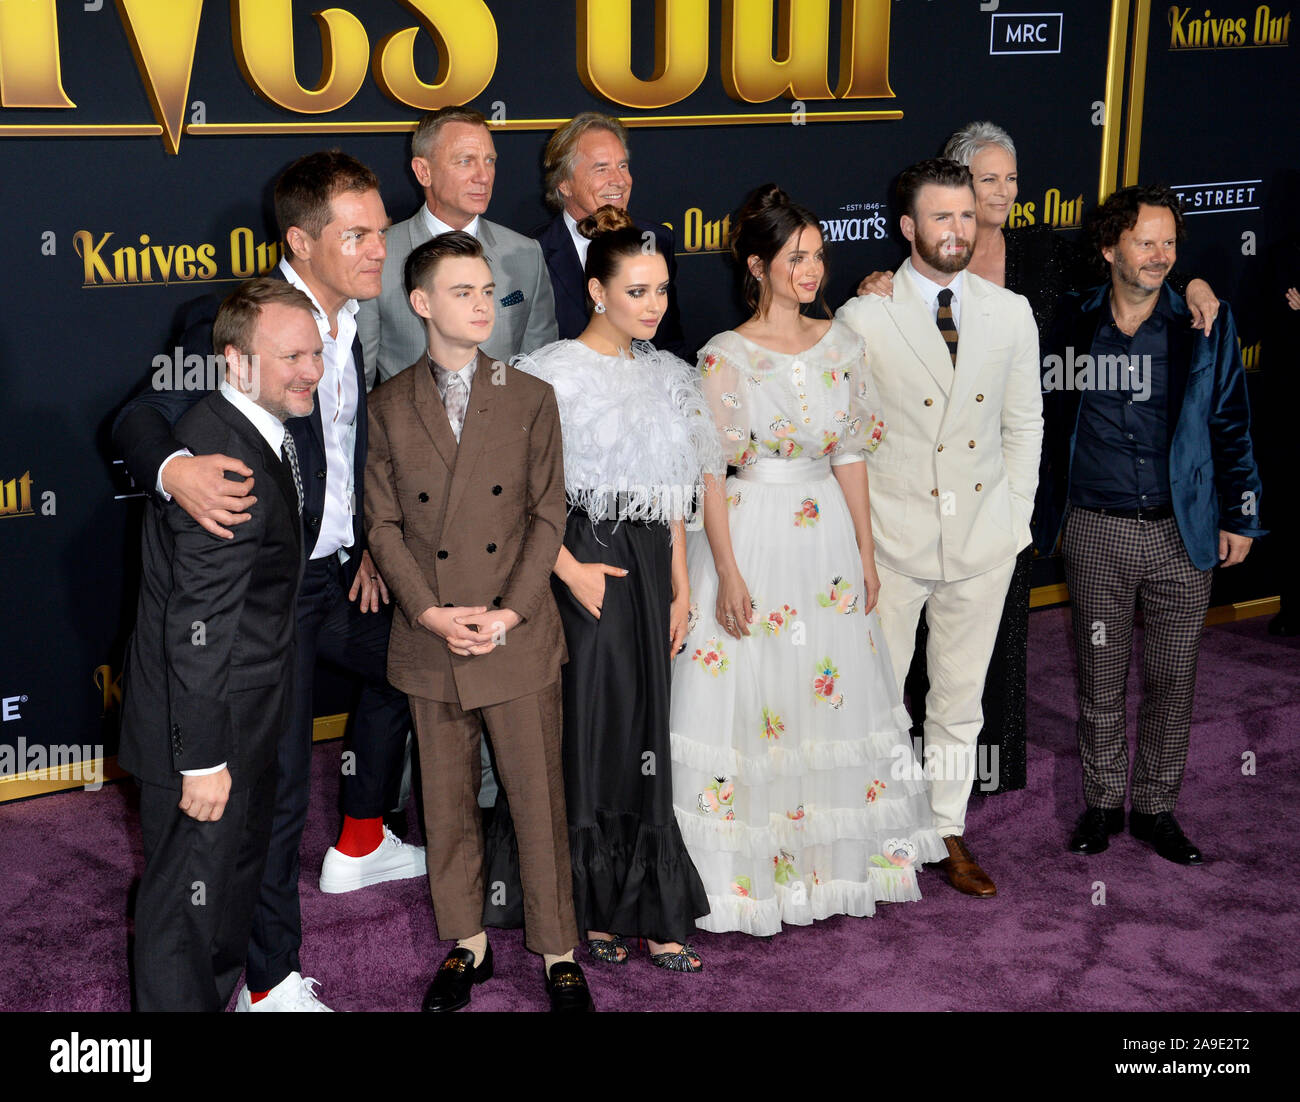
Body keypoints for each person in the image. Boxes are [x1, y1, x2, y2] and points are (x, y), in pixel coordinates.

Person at [112, 152, 421, 1012]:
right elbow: (140, 413)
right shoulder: (232, 322)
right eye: (357, 235)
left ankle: (362, 834)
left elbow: (348, 447)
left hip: (329, 577)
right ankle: (269, 977)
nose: (376, 250)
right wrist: (175, 469)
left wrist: (364, 540)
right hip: (254, 604)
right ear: (301, 240)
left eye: (381, 232)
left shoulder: (362, 325)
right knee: (268, 797)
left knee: (422, 659)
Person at [855, 122, 1222, 796]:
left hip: (1014, 483)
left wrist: (1193, 280)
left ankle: (982, 782)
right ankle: (899, 789)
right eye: (984, 179)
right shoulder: (910, 275)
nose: (1000, 192)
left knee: (996, 639)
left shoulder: (1045, 254)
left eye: (1009, 178)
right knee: (904, 649)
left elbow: (1138, 267)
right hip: (918, 497)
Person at [668, 185, 942, 937]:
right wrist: (725, 571)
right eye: (796, 258)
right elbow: (710, 475)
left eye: (818, 256)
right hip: (755, 532)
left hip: (825, 541)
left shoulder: (841, 344)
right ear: (757, 265)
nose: (812, 270)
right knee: (753, 700)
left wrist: (864, 550)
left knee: (830, 697)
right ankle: (746, 882)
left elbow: (851, 451)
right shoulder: (724, 356)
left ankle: (832, 867)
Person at [364, 231, 593, 1012]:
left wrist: (509, 613)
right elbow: (383, 526)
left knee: (537, 797)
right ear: (421, 303)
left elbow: (546, 516)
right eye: (462, 292)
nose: (481, 305)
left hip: (513, 632)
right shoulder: (388, 404)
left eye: (488, 292)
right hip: (433, 638)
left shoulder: (531, 396)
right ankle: (468, 945)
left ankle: (560, 950)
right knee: (447, 803)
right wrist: (429, 612)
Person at [512, 206, 718, 971]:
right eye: (637, 291)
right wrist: (565, 572)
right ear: (597, 291)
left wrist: (683, 588)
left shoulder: (672, 377)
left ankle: (655, 907)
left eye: (662, 289)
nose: (655, 306)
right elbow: (524, 496)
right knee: (590, 730)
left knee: (646, 735)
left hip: (648, 566)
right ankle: (588, 908)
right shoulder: (550, 374)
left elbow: (673, 499)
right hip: (578, 561)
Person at [837, 158, 1043, 898]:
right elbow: (849, 437)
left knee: (959, 699)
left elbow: (1024, 422)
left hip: (984, 539)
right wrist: (860, 538)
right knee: (882, 697)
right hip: (893, 540)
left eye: (965, 215)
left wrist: (1013, 514)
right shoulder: (865, 315)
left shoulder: (1009, 311)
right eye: (940, 217)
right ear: (908, 228)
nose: (956, 230)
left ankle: (946, 827)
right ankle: (887, 830)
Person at [1041, 185, 1266, 864]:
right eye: (1146, 241)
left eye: (1171, 243)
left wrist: (1242, 514)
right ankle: (1103, 802)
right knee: (1099, 673)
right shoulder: (1072, 323)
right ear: (1110, 247)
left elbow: (1231, 422)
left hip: (1182, 530)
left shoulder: (1203, 323)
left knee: (1174, 678)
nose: (1161, 256)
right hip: (1095, 528)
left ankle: (1156, 808)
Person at [121, 279, 323, 1011]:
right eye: (292, 355)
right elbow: (196, 626)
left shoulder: (259, 430)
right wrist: (202, 760)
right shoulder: (223, 463)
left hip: (248, 711)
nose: (312, 370)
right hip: (204, 730)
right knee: (185, 915)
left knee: (228, 894)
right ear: (236, 362)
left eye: (316, 352)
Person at [357, 105, 557, 385]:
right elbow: (359, 383)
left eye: (489, 160)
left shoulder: (525, 255)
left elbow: (540, 373)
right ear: (423, 171)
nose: (484, 176)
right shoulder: (378, 257)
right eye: (466, 161)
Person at [532, 112, 689, 359]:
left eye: (623, 166)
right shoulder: (532, 253)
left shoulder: (656, 240)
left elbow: (668, 343)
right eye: (601, 168)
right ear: (564, 184)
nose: (619, 180)